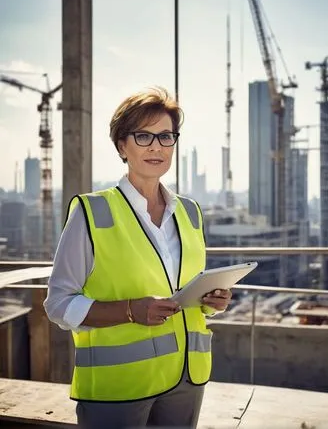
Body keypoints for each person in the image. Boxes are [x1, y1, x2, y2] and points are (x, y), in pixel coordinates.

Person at [44, 86, 232, 429]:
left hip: (186, 380)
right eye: (143, 136)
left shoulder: (190, 212)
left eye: (165, 136)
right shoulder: (92, 211)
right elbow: (58, 304)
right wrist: (131, 310)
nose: (157, 146)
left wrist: (210, 302)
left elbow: (184, 289)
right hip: (118, 389)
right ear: (122, 146)